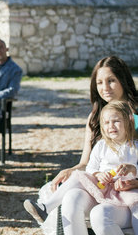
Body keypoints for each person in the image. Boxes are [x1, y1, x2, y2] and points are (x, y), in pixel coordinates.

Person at [38, 55, 138, 233]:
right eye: (99, 82)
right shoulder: (95, 118)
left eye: (111, 80)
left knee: (100, 212)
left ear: (123, 80)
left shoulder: (135, 116)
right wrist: (71, 170)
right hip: (102, 183)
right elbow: (86, 163)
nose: (105, 88)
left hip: (128, 189)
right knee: (71, 198)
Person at [25, 101, 138, 233]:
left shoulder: (134, 147)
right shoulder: (101, 146)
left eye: (116, 121)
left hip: (125, 191)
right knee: (78, 176)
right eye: (106, 123)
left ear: (128, 122)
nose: (111, 126)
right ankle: (46, 208)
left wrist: (132, 169)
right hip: (103, 186)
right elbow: (90, 167)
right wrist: (98, 174)